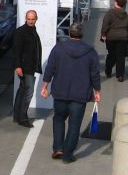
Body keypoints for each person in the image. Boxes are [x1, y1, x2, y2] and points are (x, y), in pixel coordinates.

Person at [40, 23, 101, 164]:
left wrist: (45, 86)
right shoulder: (90, 52)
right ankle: (67, 155)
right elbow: (95, 74)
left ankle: (58, 148)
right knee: (74, 125)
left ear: (69, 34)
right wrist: (97, 91)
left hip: (60, 92)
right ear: (82, 35)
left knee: (59, 119)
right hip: (80, 95)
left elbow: (50, 68)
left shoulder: (59, 48)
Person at [12, 9, 42, 128]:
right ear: (26, 18)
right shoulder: (21, 32)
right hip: (25, 67)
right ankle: (23, 118)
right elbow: (16, 51)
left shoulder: (32, 30)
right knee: (28, 92)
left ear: (36, 19)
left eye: (32, 19)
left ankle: (17, 116)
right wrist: (17, 66)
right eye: (29, 19)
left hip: (29, 66)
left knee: (22, 90)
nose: (30, 21)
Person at [101, 0, 128, 82]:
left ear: (117, 3)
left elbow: (105, 24)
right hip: (123, 37)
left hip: (111, 37)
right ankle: (120, 75)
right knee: (120, 56)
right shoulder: (125, 14)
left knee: (111, 54)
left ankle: (108, 70)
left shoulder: (110, 13)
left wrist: (103, 34)